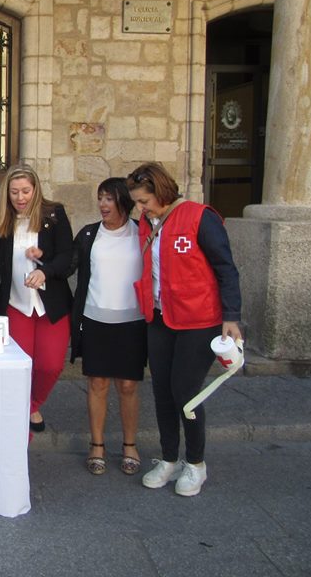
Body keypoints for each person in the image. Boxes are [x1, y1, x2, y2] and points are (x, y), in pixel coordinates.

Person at [127, 161, 242, 497]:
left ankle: (195, 464)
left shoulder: (200, 217)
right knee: (162, 390)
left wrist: (231, 316)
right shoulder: (148, 223)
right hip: (161, 317)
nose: (140, 208)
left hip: (199, 320)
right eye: (137, 201)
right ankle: (168, 458)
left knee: (186, 393)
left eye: (143, 201)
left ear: (161, 192)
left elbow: (226, 268)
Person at [0, 163, 74, 434]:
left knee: (50, 365)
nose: (20, 198)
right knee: (20, 365)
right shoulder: (0, 223)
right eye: (14, 193)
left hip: (50, 307)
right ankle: (25, 412)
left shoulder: (54, 215)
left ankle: (31, 404)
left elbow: (67, 257)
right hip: (15, 305)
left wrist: (45, 269)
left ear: (36, 190)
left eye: (25, 191)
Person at [71, 178, 147, 475]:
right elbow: (69, 264)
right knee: (97, 383)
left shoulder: (143, 232)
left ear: (123, 202)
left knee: (127, 385)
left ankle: (130, 445)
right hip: (95, 319)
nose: (103, 204)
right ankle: (97, 445)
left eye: (109, 199)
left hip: (132, 321)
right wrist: (43, 264)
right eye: (100, 198)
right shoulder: (89, 234)